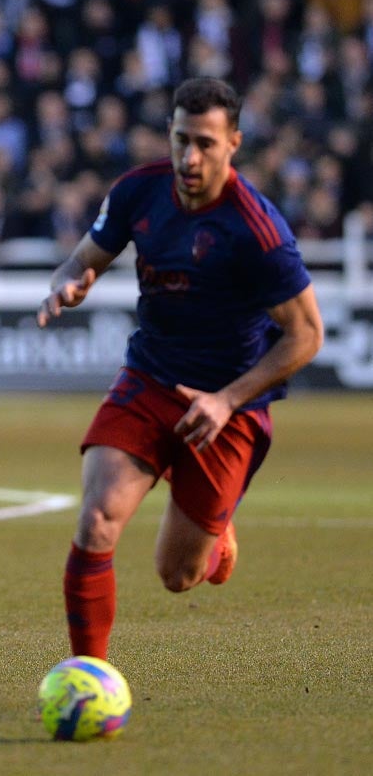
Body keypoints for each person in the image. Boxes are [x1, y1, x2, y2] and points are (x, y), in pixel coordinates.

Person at [36, 77, 324, 661]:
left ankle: (217, 541)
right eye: (180, 139)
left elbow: (307, 334)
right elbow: (82, 259)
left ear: (234, 144)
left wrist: (227, 399)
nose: (189, 157)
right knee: (95, 522)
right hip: (148, 379)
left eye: (206, 144)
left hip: (228, 406)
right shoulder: (139, 192)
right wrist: (70, 281)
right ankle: (87, 675)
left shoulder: (257, 229)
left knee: (178, 575)